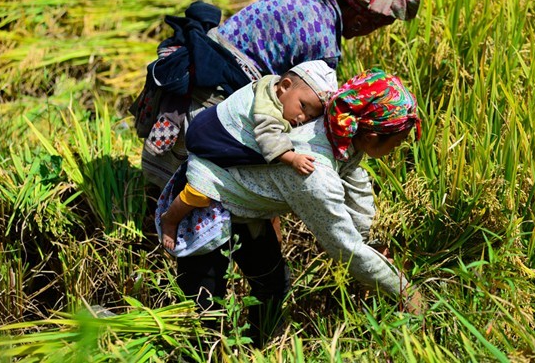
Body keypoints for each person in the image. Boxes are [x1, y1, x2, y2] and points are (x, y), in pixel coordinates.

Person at [155, 68, 424, 346]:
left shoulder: (340, 126)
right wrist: (405, 291)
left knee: (272, 286)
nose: (399, 146)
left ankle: (255, 349)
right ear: (370, 137)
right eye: (398, 141)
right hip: (208, 203)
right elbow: (346, 249)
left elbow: (355, 180)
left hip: (248, 212)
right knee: (205, 304)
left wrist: (369, 240)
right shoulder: (314, 175)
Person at [139, 0, 431, 193]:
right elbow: (308, 126)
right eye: (380, 24)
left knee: (163, 194)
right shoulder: (324, 48)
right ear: (360, 18)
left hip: (197, 74)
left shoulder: (298, 1)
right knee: (190, 195)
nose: (375, 31)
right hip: (210, 100)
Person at [158, 60, 337, 251]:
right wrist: (293, 158)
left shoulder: (273, 89)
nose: (302, 119)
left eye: (310, 117)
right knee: (199, 193)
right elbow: (269, 138)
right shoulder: (267, 110)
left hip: (210, 132)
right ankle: (170, 218)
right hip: (209, 139)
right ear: (284, 87)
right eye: (302, 106)